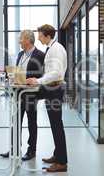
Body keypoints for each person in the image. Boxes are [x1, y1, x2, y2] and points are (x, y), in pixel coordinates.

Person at [0, 30, 45, 161]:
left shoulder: (40, 55)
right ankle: (14, 149)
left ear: (28, 40)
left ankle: (31, 151)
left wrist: (30, 78)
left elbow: (40, 74)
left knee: (32, 122)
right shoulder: (21, 54)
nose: (19, 41)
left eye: (21, 39)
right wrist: (4, 73)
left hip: (31, 94)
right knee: (15, 122)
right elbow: (16, 72)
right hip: (17, 93)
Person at [26, 24, 68, 172]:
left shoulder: (56, 49)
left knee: (57, 126)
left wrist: (37, 81)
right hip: (52, 88)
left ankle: (62, 162)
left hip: (54, 89)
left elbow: (56, 73)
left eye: (40, 35)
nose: (38, 38)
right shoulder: (53, 48)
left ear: (47, 35)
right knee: (55, 124)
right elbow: (51, 72)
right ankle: (57, 155)